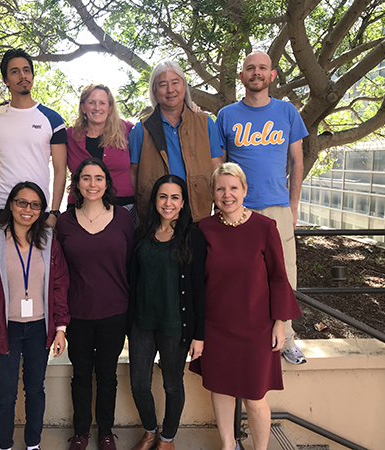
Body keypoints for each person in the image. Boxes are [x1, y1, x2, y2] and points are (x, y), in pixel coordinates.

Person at [190, 163, 302, 450]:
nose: (227, 195)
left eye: (233, 188)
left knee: (255, 396)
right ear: (213, 193)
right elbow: (195, 283)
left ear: (244, 190)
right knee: (221, 389)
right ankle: (229, 445)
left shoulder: (265, 228)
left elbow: (279, 277)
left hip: (256, 327)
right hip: (216, 325)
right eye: (220, 189)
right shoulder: (202, 230)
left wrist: (280, 322)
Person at [216, 50, 309, 365]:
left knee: (285, 274)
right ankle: (244, 335)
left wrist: (293, 205)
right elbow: (220, 167)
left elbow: (297, 161)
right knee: (240, 277)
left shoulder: (287, 112)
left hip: (277, 207)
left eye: (262, 68)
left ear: (272, 75)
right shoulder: (226, 116)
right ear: (242, 76)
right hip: (238, 211)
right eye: (250, 68)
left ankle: (287, 339)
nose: (256, 72)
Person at [0, 182, 70, 450]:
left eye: (35, 205)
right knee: (5, 394)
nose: (28, 209)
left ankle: (33, 444)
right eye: (22, 202)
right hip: (4, 329)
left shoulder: (48, 240)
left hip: (39, 328)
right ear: (10, 204)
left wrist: (60, 327)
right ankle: (5, 445)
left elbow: (59, 285)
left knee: (36, 390)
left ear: (42, 210)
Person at [55, 158, 134, 450]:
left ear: (107, 183)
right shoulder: (64, 221)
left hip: (115, 312)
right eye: (85, 178)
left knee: (108, 376)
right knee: (81, 375)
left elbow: (131, 266)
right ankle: (80, 432)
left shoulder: (124, 219)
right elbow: (58, 272)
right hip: (78, 313)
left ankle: (105, 431)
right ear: (76, 184)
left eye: (98, 178)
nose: (92, 184)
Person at [128, 175, 206, 450]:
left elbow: (199, 289)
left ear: (183, 202)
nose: (168, 203)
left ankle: (167, 439)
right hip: (141, 322)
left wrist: (199, 334)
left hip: (176, 324)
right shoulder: (141, 233)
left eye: (175, 197)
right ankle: (150, 431)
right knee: (138, 383)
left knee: (173, 385)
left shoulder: (193, 237)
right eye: (163, 196)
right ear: (155, 201)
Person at [0, 48, 67, 226]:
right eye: (15, 71)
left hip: (35, 209)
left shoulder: (53, 119)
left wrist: (55, 212)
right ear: (5, 80)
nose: (23, 75)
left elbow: (60, 170)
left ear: (32, 76)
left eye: (27, 70)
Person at [129, 60, 224, 223]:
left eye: (175, 82)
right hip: (156, 218)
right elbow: (133, 174)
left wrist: (219, 205)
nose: (170, 90)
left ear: (184, 86)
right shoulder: (142, 129)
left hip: (198, 214)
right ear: (154, 90)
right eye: (163, 84)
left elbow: (217, 166)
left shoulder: (205, 123)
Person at [66, 84, 136, 222]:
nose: (97, 108)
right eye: (92, 103)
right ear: (83, 107)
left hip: (123, 207)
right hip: (80, 207)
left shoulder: (128, 131)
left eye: (102, 103)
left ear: (110, 108)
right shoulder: (69, 136)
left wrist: (190, 108)